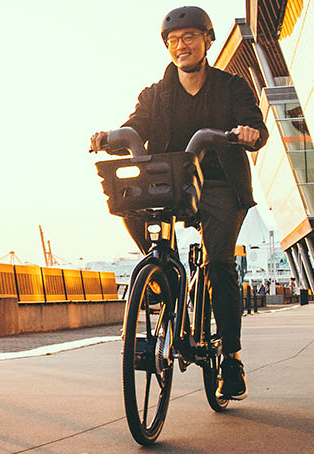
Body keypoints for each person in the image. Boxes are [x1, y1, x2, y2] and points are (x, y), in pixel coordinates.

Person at [89, 6, 268, 401]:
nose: (180, 46)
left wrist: (248, 133)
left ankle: (232, 358)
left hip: (221, 184)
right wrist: (111, 137)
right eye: (173, 41)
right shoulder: (155, 94)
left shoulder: (232, 87)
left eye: (189, 37)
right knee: (130, 206)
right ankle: (164, 277)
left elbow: (254, 124)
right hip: (170, 182)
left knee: (219, 263)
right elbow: (136, 125)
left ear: (207, 40)